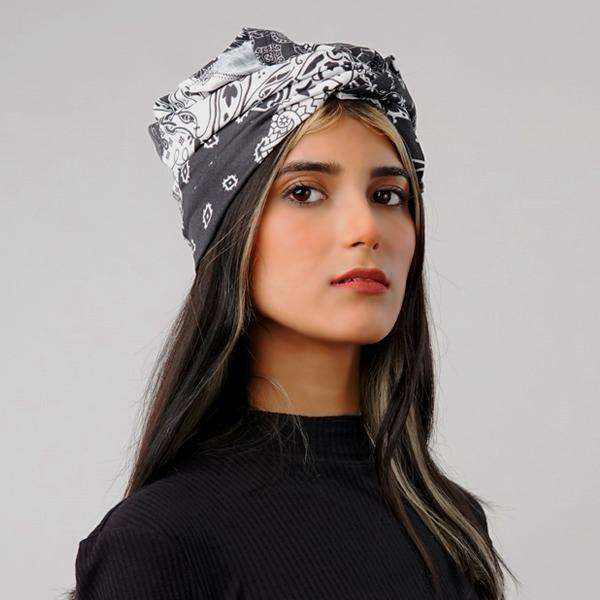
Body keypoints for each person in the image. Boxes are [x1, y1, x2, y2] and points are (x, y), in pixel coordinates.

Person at [68, 26, 517, 600]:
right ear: (231, 233)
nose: (366, 229)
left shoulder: (448, 521)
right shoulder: (164, 541)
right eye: (305, 192)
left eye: (388, 195)